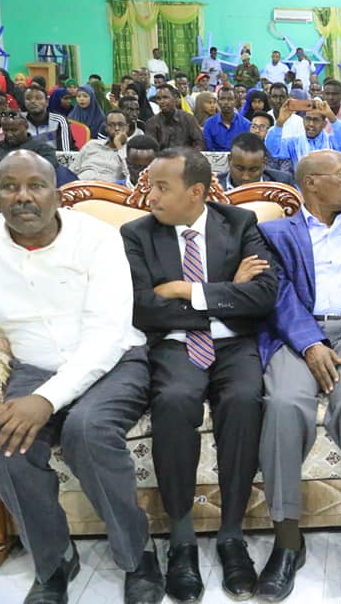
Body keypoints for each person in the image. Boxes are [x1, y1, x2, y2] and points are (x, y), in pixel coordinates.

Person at [0, 150, 165, 604]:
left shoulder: (97, 238)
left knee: (87, 430)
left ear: (57, 193)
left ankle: (137, 555)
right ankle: (53, 562)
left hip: (113, 362)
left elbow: (107, 334)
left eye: (36, 185)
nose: (23, 197)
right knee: (5, 445)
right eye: (10, 187)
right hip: (32, 365)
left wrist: (46, 400)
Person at [121, 146, 278, 602]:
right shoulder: (136, 234)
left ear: (195, 192)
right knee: (174, 400)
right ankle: (182, 537)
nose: (150, 196)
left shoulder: (240, 223)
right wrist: (225, 295)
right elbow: (142, 306)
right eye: (149, 185)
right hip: (173, 345)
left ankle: (231, 534)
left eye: (161, 187)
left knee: (245, 399)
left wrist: (186, 291)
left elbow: (264, 296)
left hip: (234, 345)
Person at [254, 149, 341, 602]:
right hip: (295, 333)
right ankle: (287, 541)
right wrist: (310, 343)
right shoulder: (275, 233)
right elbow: (277, 295)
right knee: (283, 405)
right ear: (311, 183)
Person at [266, 99, 341, 172]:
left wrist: (331, 116)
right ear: (303, 121)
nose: (311, 124)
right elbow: (273, 149)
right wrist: (280, 122)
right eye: (308, 119)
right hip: (301, 185)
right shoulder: (294, 143)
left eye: (315, 120)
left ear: (324, 124)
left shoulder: (331, 142)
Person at [216, 132, 293, 190]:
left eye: (253, 170)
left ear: (264, 163)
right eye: (239, 168)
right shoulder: (214, 187)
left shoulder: (282, 184)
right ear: (229, 160)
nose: (245, 177)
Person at [71, 110, 131, 182]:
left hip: (106, 187)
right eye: (112, 125)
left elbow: (130, 177)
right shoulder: (92, 145)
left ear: (127, 127)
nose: (117, 128)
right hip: (81, 184)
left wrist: (119, 146)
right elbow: (72, 170)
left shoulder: (130, 150)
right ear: (106, 128)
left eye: (120, 124)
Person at [147, 86, 205, 151]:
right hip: (161, 156)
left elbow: (199, 142)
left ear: (175, 98)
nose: (162, 101)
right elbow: (151, 148)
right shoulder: (152, 122)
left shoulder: (188, 118)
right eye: (158, 99)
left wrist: (190, 155)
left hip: (186, 156)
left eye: (165, 97)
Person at [23, 85, 73, 151]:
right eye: (28, 98)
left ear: (47, 102)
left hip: (53, 156)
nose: (33, 101)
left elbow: (65, 153)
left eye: (38, 98)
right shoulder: (20, 120)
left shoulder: (59, 120)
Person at [202, 86, 251, 152]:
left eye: (230, 99)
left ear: (235, 101)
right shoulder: (209, 124)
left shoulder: (246, 124)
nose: (226, 102)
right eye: (222, 99)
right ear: (218, 101)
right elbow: (208, 149)